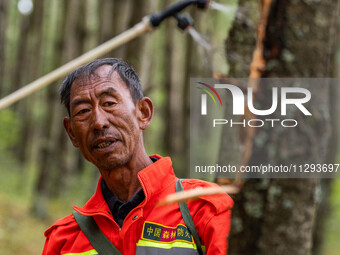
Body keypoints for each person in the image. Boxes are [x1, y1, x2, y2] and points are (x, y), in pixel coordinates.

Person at [42, 58, 233, 255]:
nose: (99, 122)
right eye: (83, 111)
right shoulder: (64, 240)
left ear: (143, 112)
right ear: (72, 133)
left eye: (109, 103)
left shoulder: (205, 208)